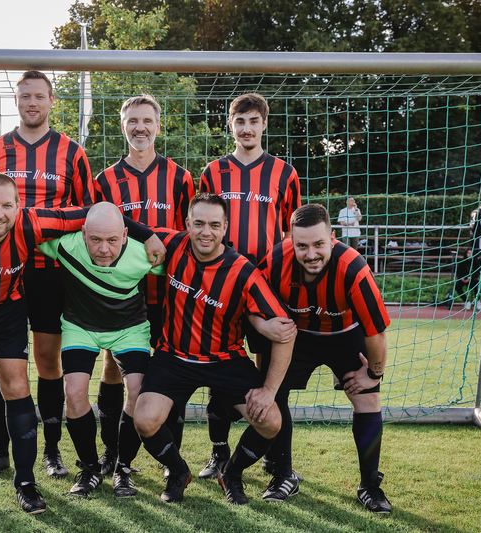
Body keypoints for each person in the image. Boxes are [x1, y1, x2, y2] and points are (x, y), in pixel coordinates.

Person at [0, 173, 161, 514]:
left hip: (5, 308)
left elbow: (93, 213)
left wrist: (148, 235)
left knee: (16, 384)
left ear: (19, 207)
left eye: (7, 205)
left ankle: (26, 483)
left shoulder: (32, 223)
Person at [133, 193, 296, 505]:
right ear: (187, 224)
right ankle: (178, 471)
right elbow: (123, 224)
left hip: (226, 360)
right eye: (199, 223)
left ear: (225, 228)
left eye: (214, 225)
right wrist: (148, 235)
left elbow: (286, 333)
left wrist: (269, 391)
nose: (205, 232)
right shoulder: (174, 244)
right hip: (173, 357)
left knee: (271, 421)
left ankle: (231, 474)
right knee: (145, 419)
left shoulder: (243, 271)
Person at [0, 70, 94, 482]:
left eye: (39, 96)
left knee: (46, 360)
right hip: (2, 270)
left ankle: (52, 451)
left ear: (51, 101)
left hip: (49, 273)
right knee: (3, 364)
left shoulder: (71, 152)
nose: (32, 103)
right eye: (25, 96)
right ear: (16, 100)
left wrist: (39, 220)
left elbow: (87, 211)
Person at [259, 203, 392, 514]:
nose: (311, 254)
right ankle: (283, 475)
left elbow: (376, 333)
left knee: (368, 399)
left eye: (319, 244)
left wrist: (373, 375)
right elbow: (253, 306)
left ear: (332, 238)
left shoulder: (354, 268)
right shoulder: (274, 261)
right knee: (273, 392)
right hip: (297, 336)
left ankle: (370, 486)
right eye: (302, 246)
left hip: (345, 335)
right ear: (291, 241)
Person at [197, 92, 301, 480]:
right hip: (222, 286)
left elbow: (291, 233)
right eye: (240, 121)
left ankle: (276, 458)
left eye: (253, 121)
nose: (246, 128)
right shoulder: (213, 172)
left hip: (268, 289)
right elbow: (204, 228)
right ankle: (218, 453)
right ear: (230, 125)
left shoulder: (284, 173)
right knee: (217, 366)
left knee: (272, 373)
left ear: (264, 125)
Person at [93, 94, 195, 474]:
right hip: (121, 293)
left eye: (147, 120)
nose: (140, 127)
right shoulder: (104, 181)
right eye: (133, 121)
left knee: (175, 368)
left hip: (169, 293)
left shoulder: (180, 178)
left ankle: (171, 457)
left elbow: (190, 237)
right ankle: (112, 452)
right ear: (123, 127)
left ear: (158, 126)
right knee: (112, 367)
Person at [36, 202, 165, 498]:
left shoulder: (146, 252)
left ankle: (123, 468)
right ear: (83, 233)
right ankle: (90, 468)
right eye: (95, 239)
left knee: (138, 392)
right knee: (74, 393)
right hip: (80, 326)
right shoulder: (65, 245)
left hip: (129, 329)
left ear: (125, 235)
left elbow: (191, 259)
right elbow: (20, 228)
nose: (103, 249)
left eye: (112, 240)